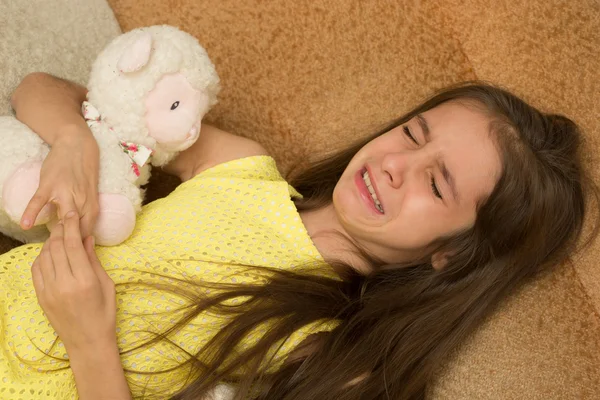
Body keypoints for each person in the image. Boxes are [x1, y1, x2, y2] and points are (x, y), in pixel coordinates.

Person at [1, 72, 595, 400]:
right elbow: (38, 90)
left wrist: (89, 343)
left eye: (437, 185)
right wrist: (76, 142)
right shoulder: (239, 168)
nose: (395, 164)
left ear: (453, 253)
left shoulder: (333, 358)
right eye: (413, 135)